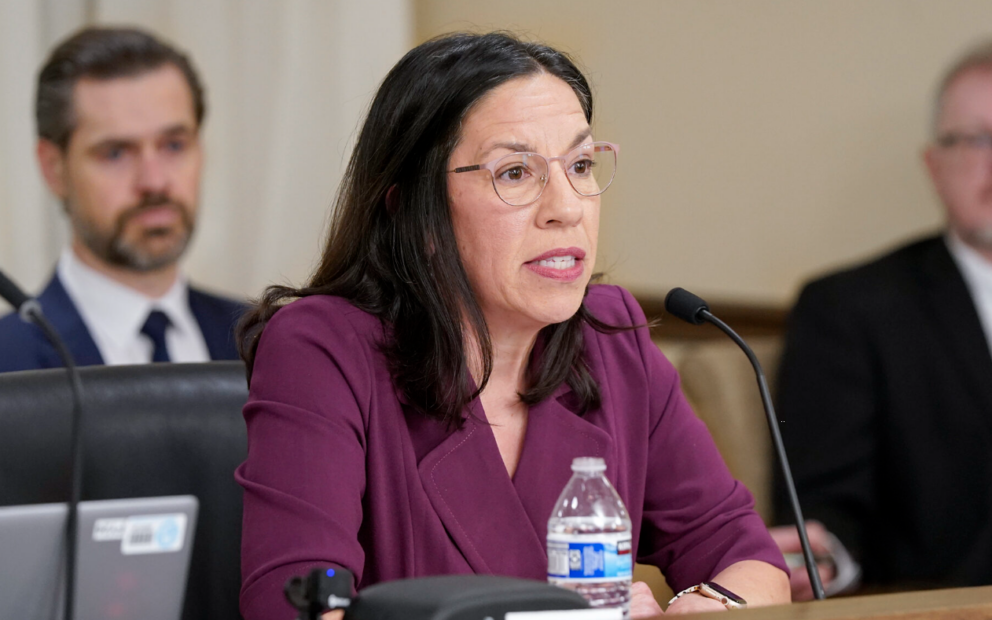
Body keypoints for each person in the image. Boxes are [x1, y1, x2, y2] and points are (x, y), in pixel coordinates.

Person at [235, 32, 790, 620]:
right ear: (413, 211)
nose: (568, 206)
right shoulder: (323, 349)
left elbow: (751, 562)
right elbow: (291, 604)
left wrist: (698, 606)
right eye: (517, 173)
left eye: (580, 164)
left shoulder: (610, 337)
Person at [772, 39, 992, 599]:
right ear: (934, 165)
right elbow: (825, 517)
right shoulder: (850, 309)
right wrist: (824, 563)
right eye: (978, 140)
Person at [0, 27, 244, 372]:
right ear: (54, 169)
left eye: (174, 145)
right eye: (115, 153)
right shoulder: (7, 360)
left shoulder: (266, 340)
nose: (154, 182)